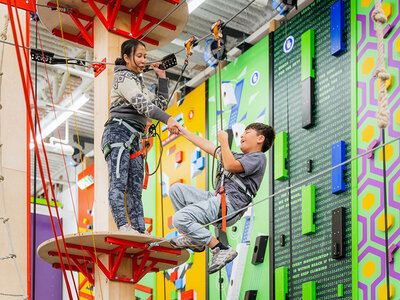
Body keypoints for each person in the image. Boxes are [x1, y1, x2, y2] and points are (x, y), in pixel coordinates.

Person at [169, 123, 275, 273]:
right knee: (176, 190)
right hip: (217, 199)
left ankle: (220, 248)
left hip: (229, 206)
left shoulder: (259, 158)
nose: (242, 136)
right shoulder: (236, 156)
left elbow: (230, 166)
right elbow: (208, 146)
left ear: (260, 139)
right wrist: (182, 131)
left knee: (179, 219)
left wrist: (224, 141)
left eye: (248, 132)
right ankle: (196, 239)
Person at [101, 39, 179, 234]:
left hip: (135, 137)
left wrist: (162, 78)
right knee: (118, 182)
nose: (144, 60)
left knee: (135, 188)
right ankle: (123, 226)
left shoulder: (138, 82)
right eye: (139, 56)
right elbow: (142, 105)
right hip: (118, 133)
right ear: (126, 57)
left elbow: (159, 105)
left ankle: (139, 229)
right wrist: (168, 120)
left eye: (145, 56)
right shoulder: (122, 79)